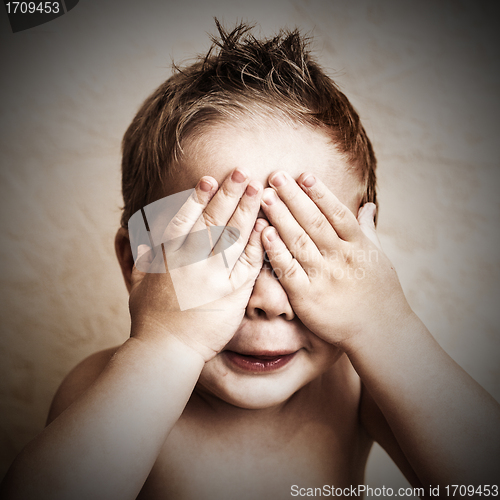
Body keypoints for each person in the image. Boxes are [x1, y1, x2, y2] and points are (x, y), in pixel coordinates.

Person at [1, 21, 499, 500]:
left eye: (305, 252)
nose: (267, 301)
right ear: (138, 263)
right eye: (219, 249)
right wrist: (167, 345)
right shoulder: (109, 388)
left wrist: (388, 329)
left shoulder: (353, 385)